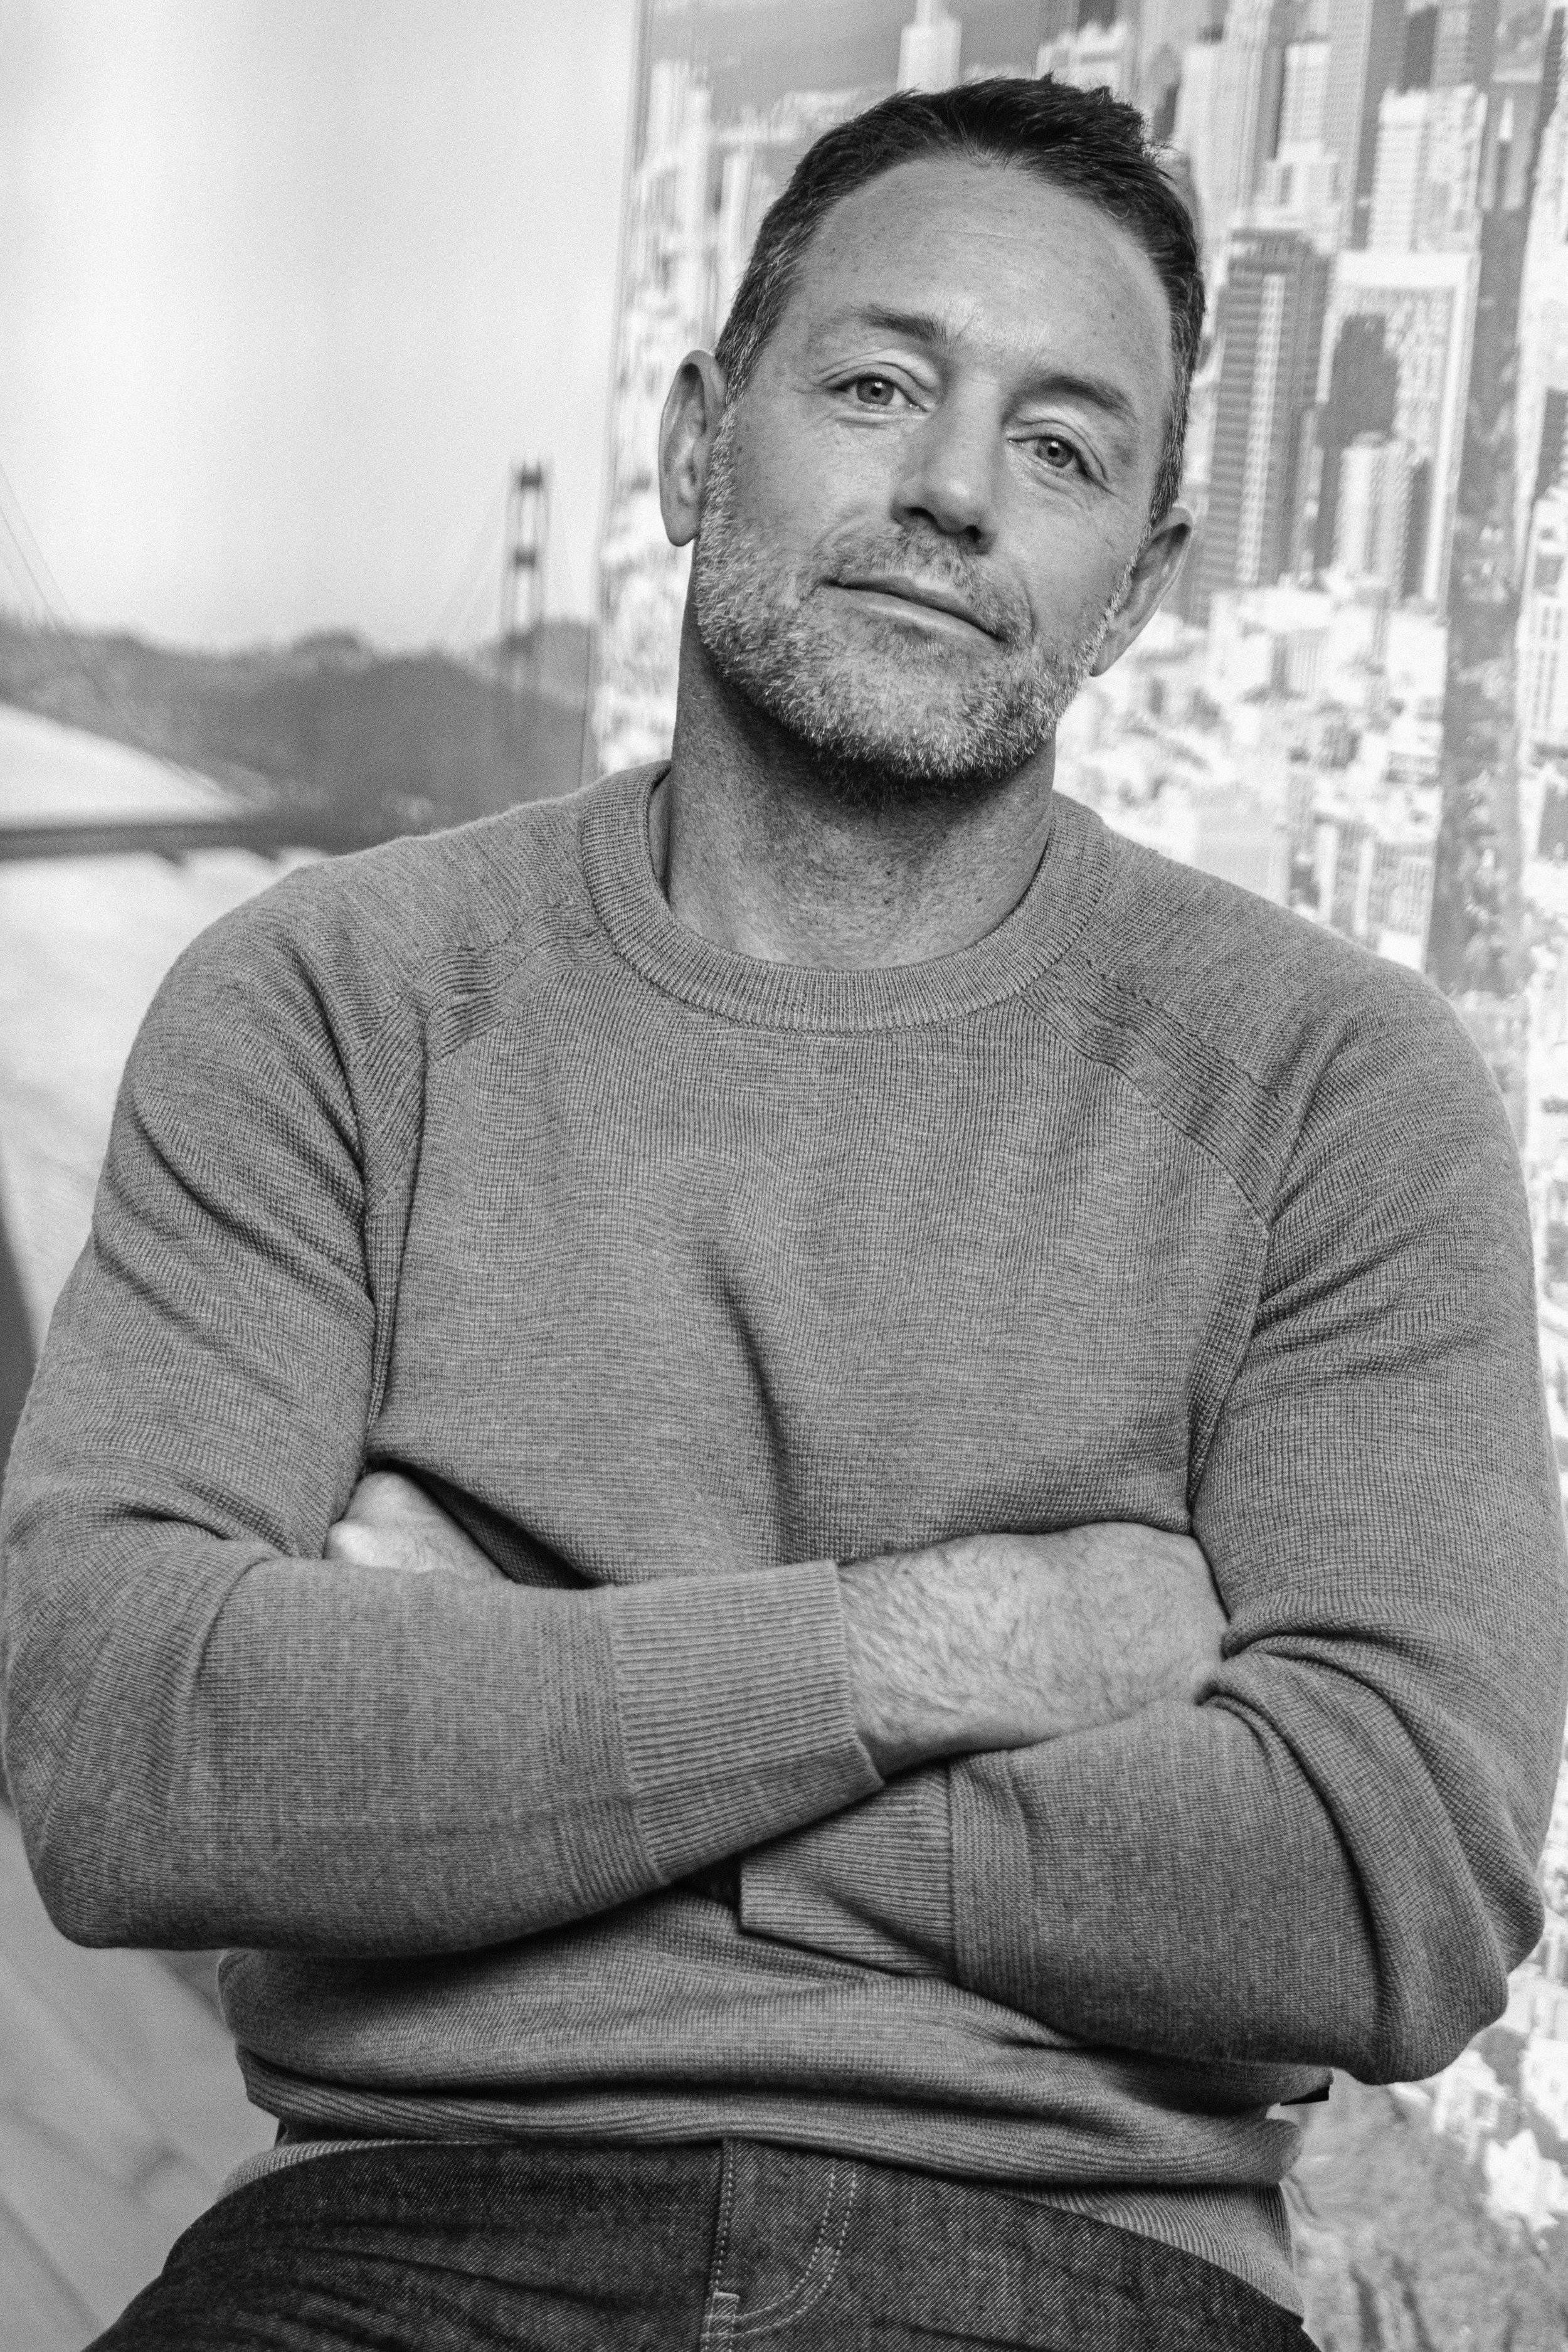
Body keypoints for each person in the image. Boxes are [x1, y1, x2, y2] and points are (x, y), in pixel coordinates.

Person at [3, 74, 1564, 2352]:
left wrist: (532, 1711)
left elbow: (1382, 1882)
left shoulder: (1333, 1086)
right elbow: (121, 1749)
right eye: (875, 388)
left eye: (1059, 448)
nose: (951, 491)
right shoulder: (326, 999)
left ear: (1137, 589)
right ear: (689, 445)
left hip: (1079, 2268)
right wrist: (945, 1650)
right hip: (399, 2237)